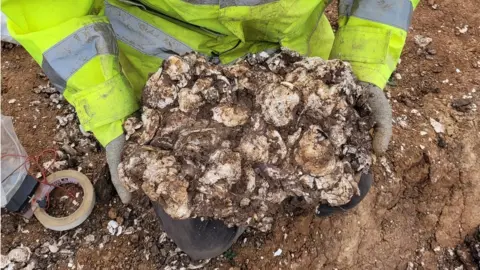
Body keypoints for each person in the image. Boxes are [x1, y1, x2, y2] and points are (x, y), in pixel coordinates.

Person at [2, 0, 418, 260]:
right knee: (201, 236)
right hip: (168, 80)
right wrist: (113, 118)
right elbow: (49, 12)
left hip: (294, 71)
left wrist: (361, 73)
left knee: (347, 182)